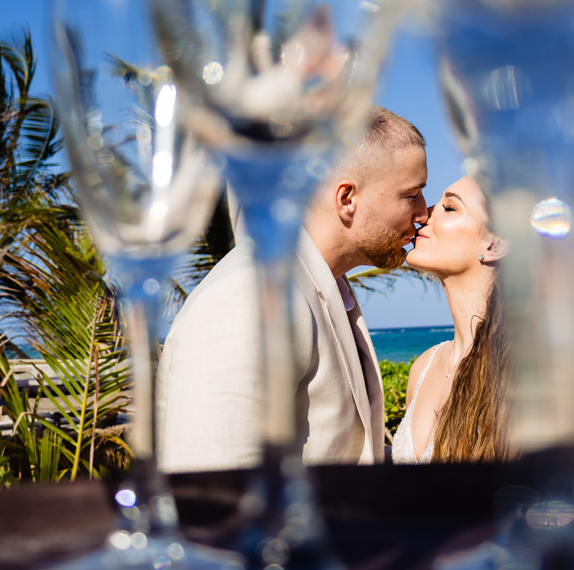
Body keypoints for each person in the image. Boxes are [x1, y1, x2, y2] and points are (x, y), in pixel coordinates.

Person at [156, 107, 430, 473]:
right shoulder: (248, 296)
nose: (424, 213)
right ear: (346, 199)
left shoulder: (325, 285)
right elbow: (213, 490)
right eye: (411, 194)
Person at [394, 175, 509, 463]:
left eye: (449, 208)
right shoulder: (424, 366)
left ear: (495, 246)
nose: (424, 215)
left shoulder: (519, 372)